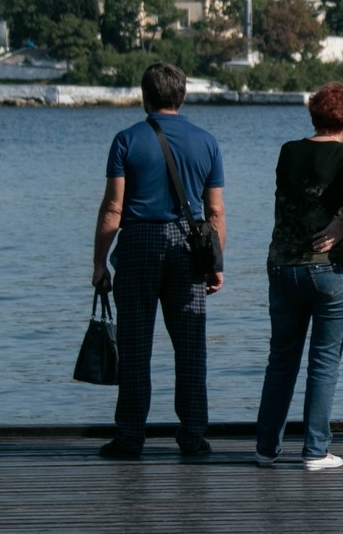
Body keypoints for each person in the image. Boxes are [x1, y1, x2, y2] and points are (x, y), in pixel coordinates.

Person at [92, 62, 226, 459]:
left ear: (144, 96)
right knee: (190, 347)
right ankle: (193, 438)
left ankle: (131, 437)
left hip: (137, 244)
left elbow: (113, 210)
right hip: (189, 246)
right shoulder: (207, 142)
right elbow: (215, 212)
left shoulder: (125, 140)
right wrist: (216, 263)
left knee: (135, 346)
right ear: (182, 96)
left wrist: (100, 263)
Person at [254, 83, 343, 470]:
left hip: (284, 266)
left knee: (281, 360)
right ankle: (314, 450)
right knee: (323, 362)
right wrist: (342, 222)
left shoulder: (288, 151)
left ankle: (266, 448)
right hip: (331, 272)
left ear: (313, 115)